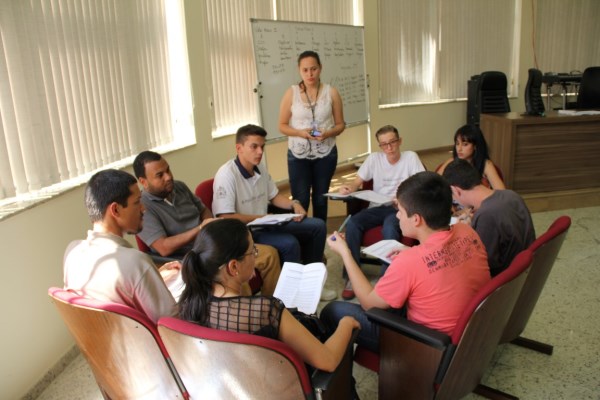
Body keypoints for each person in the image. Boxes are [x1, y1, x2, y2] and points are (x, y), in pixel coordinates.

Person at [321, 171, 490, 353]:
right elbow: (443, 258)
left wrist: (345, 253)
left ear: (416, 219)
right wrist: (412, 254)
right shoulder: (466, 231)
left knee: (332, 311)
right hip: (470, 332)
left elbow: (369, 303)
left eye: (400, 211)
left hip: (427, 345)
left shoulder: (410, 262)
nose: (398, 217)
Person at [178, 218, 360, 373]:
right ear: (234, 267)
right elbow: (327, 361)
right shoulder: (265, 310)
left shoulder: (188, 303)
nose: (256, 257)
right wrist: (346, 323)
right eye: (253, 251)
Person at [212, 124, 336, 301]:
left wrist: (294, 204)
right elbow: (225, 217)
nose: (260, 151)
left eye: (262, 146)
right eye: (254, 146)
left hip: (268, 223)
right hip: (247, 233)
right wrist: (261, 217)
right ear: (239, 148)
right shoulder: (227, 175)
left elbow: (275, 196)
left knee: (317, 226)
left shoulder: (260, 168)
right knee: (289, 243)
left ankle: (312, 285)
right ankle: (290, 297)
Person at [133, 151, 281, 297]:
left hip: (214, 245)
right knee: (237, 276)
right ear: (143, 181)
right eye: (160, 175)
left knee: (270, 255)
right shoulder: (143, 207)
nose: (168, 177)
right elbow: (163, 247)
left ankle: (273, 309)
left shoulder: (179, 187)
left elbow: (203, 210)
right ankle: (250, 315)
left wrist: (210, 228)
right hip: (193, 259)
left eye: (168, 170)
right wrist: (200, 229)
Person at [63, 169, 178, 324]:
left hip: (104, 341)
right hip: (146, 344)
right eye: (137, 202)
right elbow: (173, 323)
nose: (144, 209)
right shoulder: (135, 262)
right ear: (115, 209)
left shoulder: (72, 252)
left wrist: (153, 277)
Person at [337, 125, 425, 299]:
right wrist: (350, 187)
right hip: (377, 207)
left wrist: (402, 199)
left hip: (399, 209)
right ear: (380, 146)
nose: (389, 148)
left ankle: (386, 279)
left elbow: (421, 184)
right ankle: (352, 278)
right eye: (384, 144)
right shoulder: (374, 159)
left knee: (390, 227)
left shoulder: (410, 158)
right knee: (353, 224)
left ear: (400, 141)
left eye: (392, 142)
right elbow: (357, 181)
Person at [278, 50, 345, 222]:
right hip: (298, 154)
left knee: (321, 200)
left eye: (313, 69)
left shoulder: (331, 92)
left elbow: (340, 124)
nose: (310, 74)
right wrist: (300, 133)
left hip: (326, 154)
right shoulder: (291, 93)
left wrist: (328, 132)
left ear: (320, 68)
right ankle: (303, 241)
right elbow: (282, 126)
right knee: (300, 200)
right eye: (305, 70)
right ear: (299, 70)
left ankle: (319, 242)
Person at [442, 158, 536, 277]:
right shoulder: (512, 195)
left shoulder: (486, 215)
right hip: (523, 270)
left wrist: (464, 234)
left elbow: (482, 264)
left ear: (455, 190)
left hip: (503, 280)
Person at [436, 124, 505, 189]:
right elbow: (433, 182)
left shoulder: (486, 164)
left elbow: (502, 193)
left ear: (475, 146)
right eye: (457, 144)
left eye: (465, 144)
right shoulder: (452, 161)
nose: (459, 149)